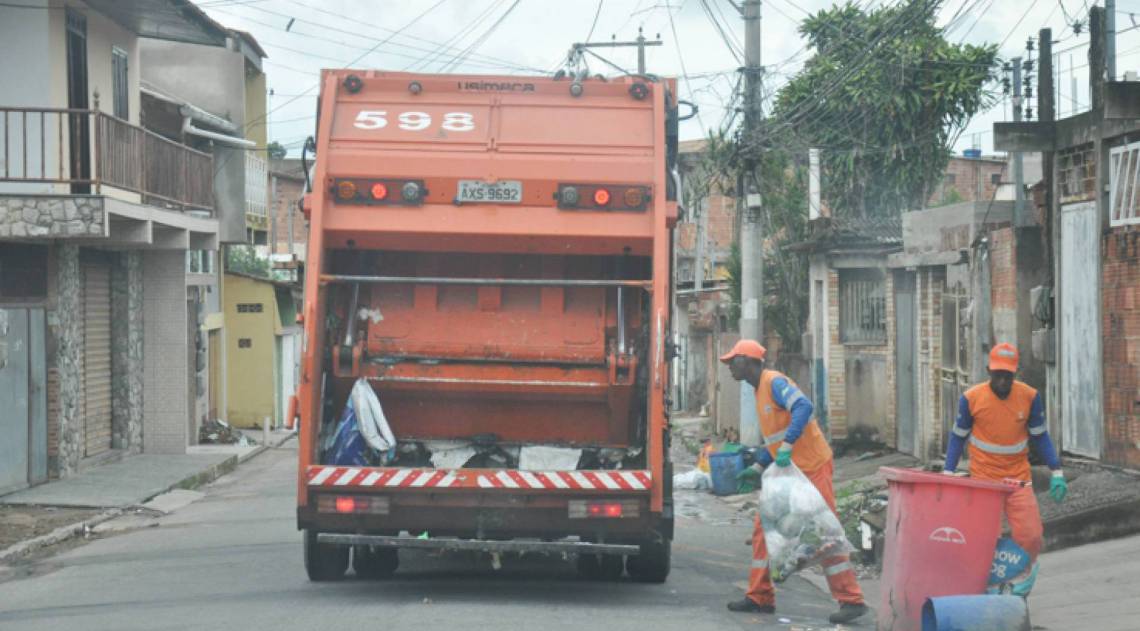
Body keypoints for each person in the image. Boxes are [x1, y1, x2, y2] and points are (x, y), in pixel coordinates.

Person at [720, 339, 868, 625]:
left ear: (748, 361)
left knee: (824, 534)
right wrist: (759, 465)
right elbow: (776, 437)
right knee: (763, 529)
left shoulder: (774, 382)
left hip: (812, 467)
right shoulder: (759, 390)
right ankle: (759, 596)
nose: (729, 368)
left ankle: (852, 600)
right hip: (790, 472)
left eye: (732, 362)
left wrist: (787, 445)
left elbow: (803, 406)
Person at [943, 342, 1067, 596]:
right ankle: (986, 586)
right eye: (998, 374)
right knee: (985, 539)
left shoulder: (1029, 397)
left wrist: (1056, 471)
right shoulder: (971, 399)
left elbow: (1040, 436)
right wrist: (947, 472)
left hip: (1018, 479)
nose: (1002, 380)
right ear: (989, 371)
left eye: (1007, 375)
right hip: (984, 480)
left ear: (1015, 373)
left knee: (1031, 536)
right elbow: (958, 437)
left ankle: (1021, 582)